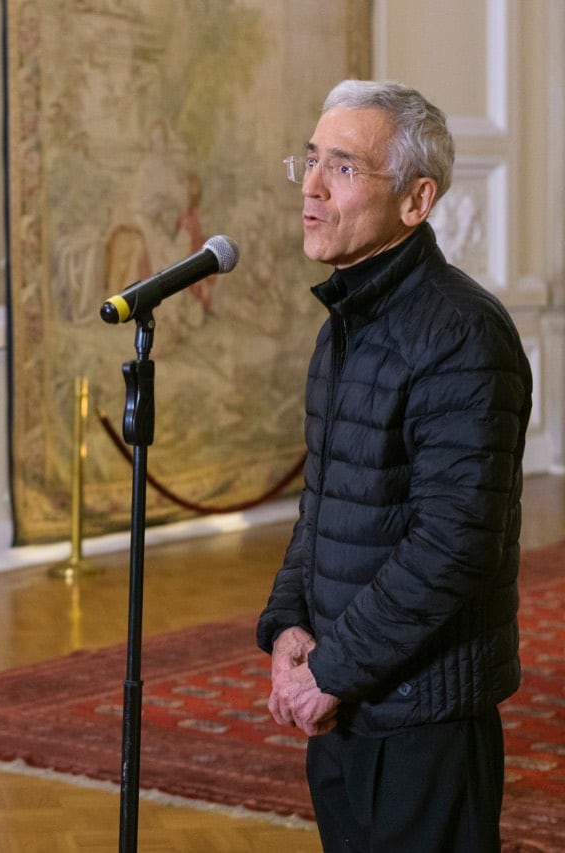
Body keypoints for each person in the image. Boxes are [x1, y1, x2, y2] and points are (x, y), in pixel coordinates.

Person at [256, 79, 531, 852]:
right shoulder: (345, 322)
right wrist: (289, 628)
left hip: (424, 718)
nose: (310, 186)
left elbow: (455, 542)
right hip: (347, 701)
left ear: (416, 200)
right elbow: (326, 502)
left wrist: (333, 667)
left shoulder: (462, 335)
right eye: (309, 160)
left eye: (341, 168)